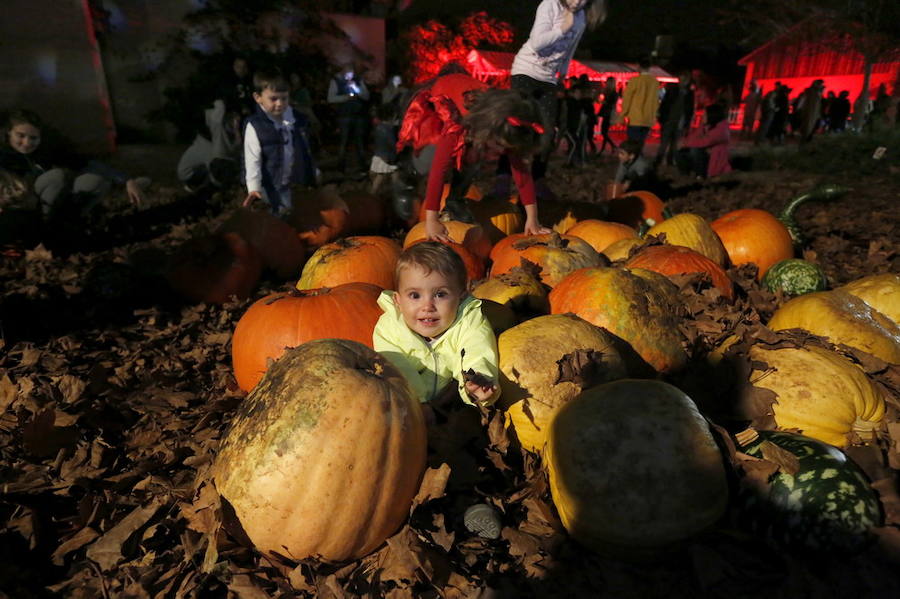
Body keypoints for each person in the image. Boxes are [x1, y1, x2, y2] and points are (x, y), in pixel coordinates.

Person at [397, 72, 551, 241]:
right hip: (439, 107)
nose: (501, 152)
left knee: (473, 158)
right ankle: (406, 173)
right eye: (499, 145)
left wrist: (532, 218)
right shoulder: (457, 125)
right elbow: (438, 171)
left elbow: (521, 170)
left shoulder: (506, 123)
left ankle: (455, 199)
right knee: (427, 162)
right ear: (488, 130)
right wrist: (431, 220)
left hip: (474, 119)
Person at [373, 241, 500, 417]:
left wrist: (478, 383)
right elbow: (396, 369)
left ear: (461, 295)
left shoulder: (469, 321)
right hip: (405, 409)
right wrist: (418, 405)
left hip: (456, 406)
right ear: (398, 300)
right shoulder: (389, 329)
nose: (427, 306)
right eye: (415, 295)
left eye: (440, 294)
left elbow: (477, 351)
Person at [509, 0, 607, 181]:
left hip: (548, 78)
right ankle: (503, 178)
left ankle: (537, 181)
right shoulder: (550, 5)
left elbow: (570, 50)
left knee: (548, 134)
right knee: (518, 129)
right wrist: (562, 28)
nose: (577, 1)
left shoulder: (581, 18)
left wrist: (562, 76)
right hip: (526, 71)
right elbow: (537, 42)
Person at [0, 109, 146, 219]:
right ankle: (44, 228)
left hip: (46, 204)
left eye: (33, 138)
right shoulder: (3, 155)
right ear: (8, 133)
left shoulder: (45, 152)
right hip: (17, 209)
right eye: (20, 135)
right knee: (56, 176)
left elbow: (84, 163)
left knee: (95, 181)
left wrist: (127, 180)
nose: (27, 143)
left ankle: (71, 222)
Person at [242, 68, 316, 216]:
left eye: (284, 98)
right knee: (277, 213)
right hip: (270, 183)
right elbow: (252, 159)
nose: (280, 103)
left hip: (293, 179)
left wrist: (312, 171)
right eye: (274, 99)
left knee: (294, 212)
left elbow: (305, 147)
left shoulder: (295, 119)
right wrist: (254, 187)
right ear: (258, 97)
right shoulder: (256, 125)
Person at [177, 99, 242, 192]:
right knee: (220, 166)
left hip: (195, 172)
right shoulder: (207, 147)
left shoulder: (211, 138)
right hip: (189, 175)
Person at [327, 64, 371, 174]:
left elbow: (366, 96)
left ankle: (362, 164)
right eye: (347, 73)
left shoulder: (358, 80)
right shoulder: (336, 81)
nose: (350, 76)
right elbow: (330, 98)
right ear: (343, 72)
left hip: (358, 115)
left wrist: (356, 88)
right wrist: (345, 98)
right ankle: (341, 166)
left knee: (359, 141)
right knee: (343, 141)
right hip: (344, 116)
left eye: (352, 73)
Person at [679, 103, 732, 178]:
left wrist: (687, 143)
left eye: (705, 115)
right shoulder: (707, 125)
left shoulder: (721, 130)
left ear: (712, 115)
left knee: (694, 150)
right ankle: (687, 173)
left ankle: (700, 174)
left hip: (715, 162)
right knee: (681, 152)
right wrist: (687, 143)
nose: (702, 116)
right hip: (707, 154)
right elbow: (695, 135)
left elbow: (704, 142)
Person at [617, 57, 660, 148]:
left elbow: (627, 99)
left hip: (635, 118)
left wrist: (622, 116)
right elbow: (656, 102)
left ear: (639, 66)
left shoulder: (634, 81)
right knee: (641, 143)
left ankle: (634, 160)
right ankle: (639, 158)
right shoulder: (655, 82)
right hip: (648, 119)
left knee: (632, 144)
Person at [654, 72, 694, 169]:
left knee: (674, 143)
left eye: (684, 79)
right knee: (665, 142)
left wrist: (687, 124)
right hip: (669, 120)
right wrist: (661, 118)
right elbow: (664, 105)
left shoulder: (688, 93)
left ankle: (669, 160)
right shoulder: (673, 90)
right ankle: (659, 160)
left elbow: (690, 109)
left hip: (679, 121)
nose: (683, 81)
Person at [369, 102, 400, 195]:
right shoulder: (387, 130)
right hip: (387, 156)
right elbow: (392, 143)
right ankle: (373, 194)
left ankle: (393, 191)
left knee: (392, 172)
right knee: (381, 176)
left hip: (379, 154)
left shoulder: (379, 127)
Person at [597, 76, 619, 154]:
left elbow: (611, 104)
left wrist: (604, 102)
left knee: (604, 132)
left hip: (608, 114)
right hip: (607, 113)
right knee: (604, 132)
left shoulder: (612, 93)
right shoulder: (610, 92)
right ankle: (610, 147)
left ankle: (610, 147)